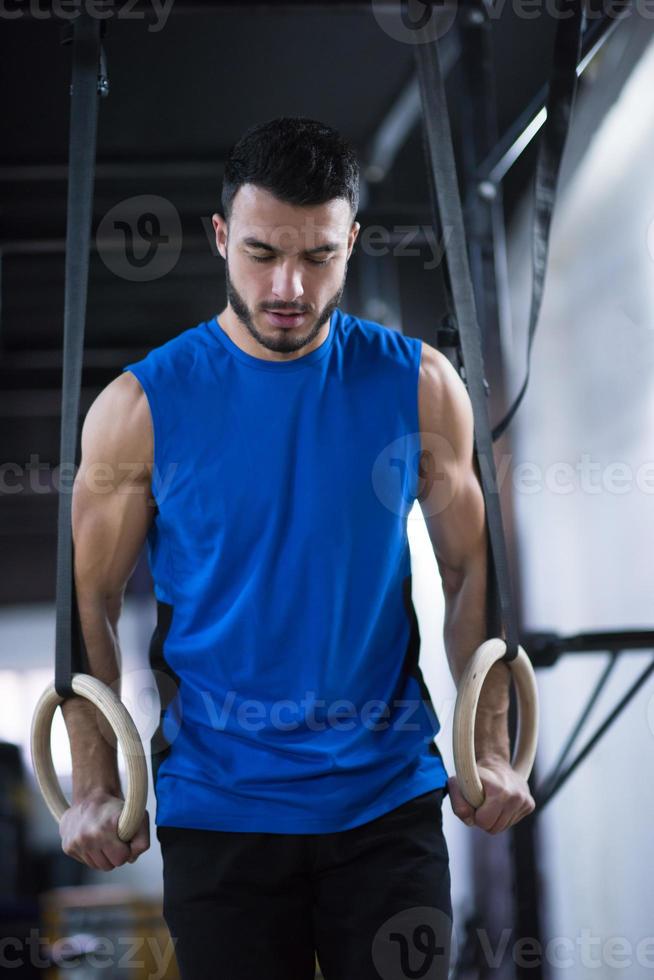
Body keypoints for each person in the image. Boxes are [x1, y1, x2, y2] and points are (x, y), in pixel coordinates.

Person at [59, 117, 535, 979]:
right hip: (219, 807)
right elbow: (87, 596)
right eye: (261, 252)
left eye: (319, 256)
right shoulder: (140, 408)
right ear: (219, 237)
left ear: (352, 240)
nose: (288, 284)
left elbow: (470, 569)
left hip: (386, 798)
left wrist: (491, 743)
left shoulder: (420, 386)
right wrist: (94, 780)